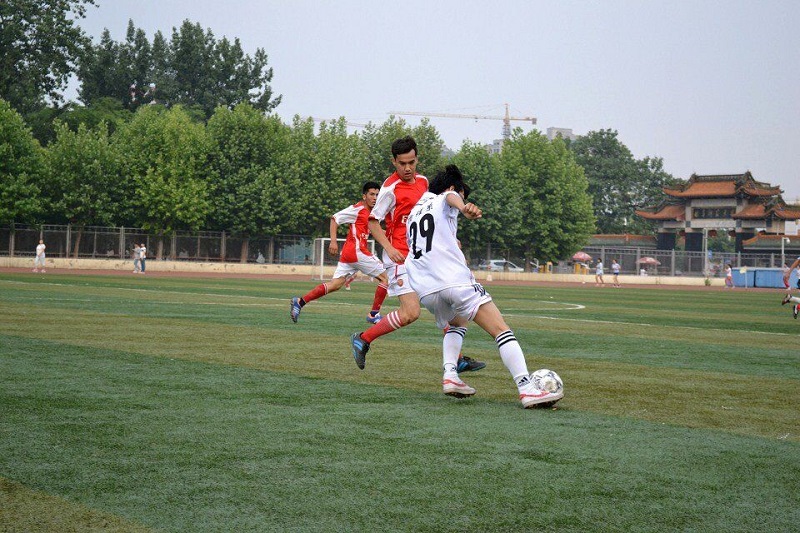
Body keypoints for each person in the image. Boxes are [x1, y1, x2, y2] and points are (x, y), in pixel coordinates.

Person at [405, 165, 562, 408]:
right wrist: (463, 206)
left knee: (457, 323)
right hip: (454, 281)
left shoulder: (414, 212)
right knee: (501, 329)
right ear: (452, 187)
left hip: (427, 290)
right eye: (462, 193)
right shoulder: (445, 198)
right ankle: (527, 388)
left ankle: (450, 375)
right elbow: (450, 197)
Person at [350, 136, 484, 374]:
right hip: (400, 258)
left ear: (417, 159)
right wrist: (389, 248)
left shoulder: (423, 182)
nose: (408, 168)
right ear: (394, 161)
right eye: (402, 163)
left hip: (422, 256)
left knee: (445, 302)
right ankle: (363, 339)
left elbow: (432, 214)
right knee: (411, 313)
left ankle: (457, 359)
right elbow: (373, 222)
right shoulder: (390, 189)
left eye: (411, 162)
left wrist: (449, 238)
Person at [290, 182, 389, 324]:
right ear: (364, 196)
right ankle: (374, 314)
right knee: (386, 278)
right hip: (357, 252)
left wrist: (393, 234)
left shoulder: (370, 213)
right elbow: (335, 218)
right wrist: (333, 241)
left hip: (349, 254)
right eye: (371, 194)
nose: (375, 198)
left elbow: (376, 231)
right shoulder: (357, 209)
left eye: (377, 195)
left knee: (335, 284)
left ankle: (300, 302)